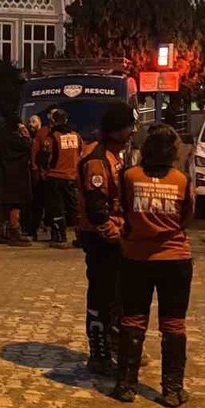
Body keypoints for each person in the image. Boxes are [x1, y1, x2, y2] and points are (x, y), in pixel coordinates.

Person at [114, 124, 196, 407]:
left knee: (132, 319)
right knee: (173, 323)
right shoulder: (182, 180)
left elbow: (122, 208)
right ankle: (172, 390)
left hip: (136, 257)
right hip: (175, 259)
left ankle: (126, 385)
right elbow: (187, 217)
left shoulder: (129, 176)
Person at [76, 103, 135, 376]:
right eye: (129, 127)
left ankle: (115, 346)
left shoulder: (114, 155)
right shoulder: (97, 159)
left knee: (117, 296)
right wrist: (112, 234)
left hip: (116, 235)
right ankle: (99, 354)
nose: (132, 131)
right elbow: (96, 207)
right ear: (116, 130)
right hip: (101, 238)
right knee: (102, 296)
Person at [39, 109, 83, 249]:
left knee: (57, 208)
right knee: (74, 208)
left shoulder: (53, 137)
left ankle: (60, 238)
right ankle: (81, 236)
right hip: (72, 177)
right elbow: (81, 154)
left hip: (55, 176)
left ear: (53, 120)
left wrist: (43, 170)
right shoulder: (76, 136)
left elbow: (45, 157)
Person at [0, 111, 33, 247]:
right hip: (16, 177)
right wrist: (24, 132)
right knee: (16, 205)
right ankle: (14, 233)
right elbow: (28, 145)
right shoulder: (16, 139)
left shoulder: (1, 137)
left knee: (4, 205)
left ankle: (4, 233)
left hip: (2, 175)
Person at [26, 114, 50, 240]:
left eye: (34, 121)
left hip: (43, 174)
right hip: (35, 174)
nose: (31, 124)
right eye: (30, 121)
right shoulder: (29, 137)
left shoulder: (43, 135)